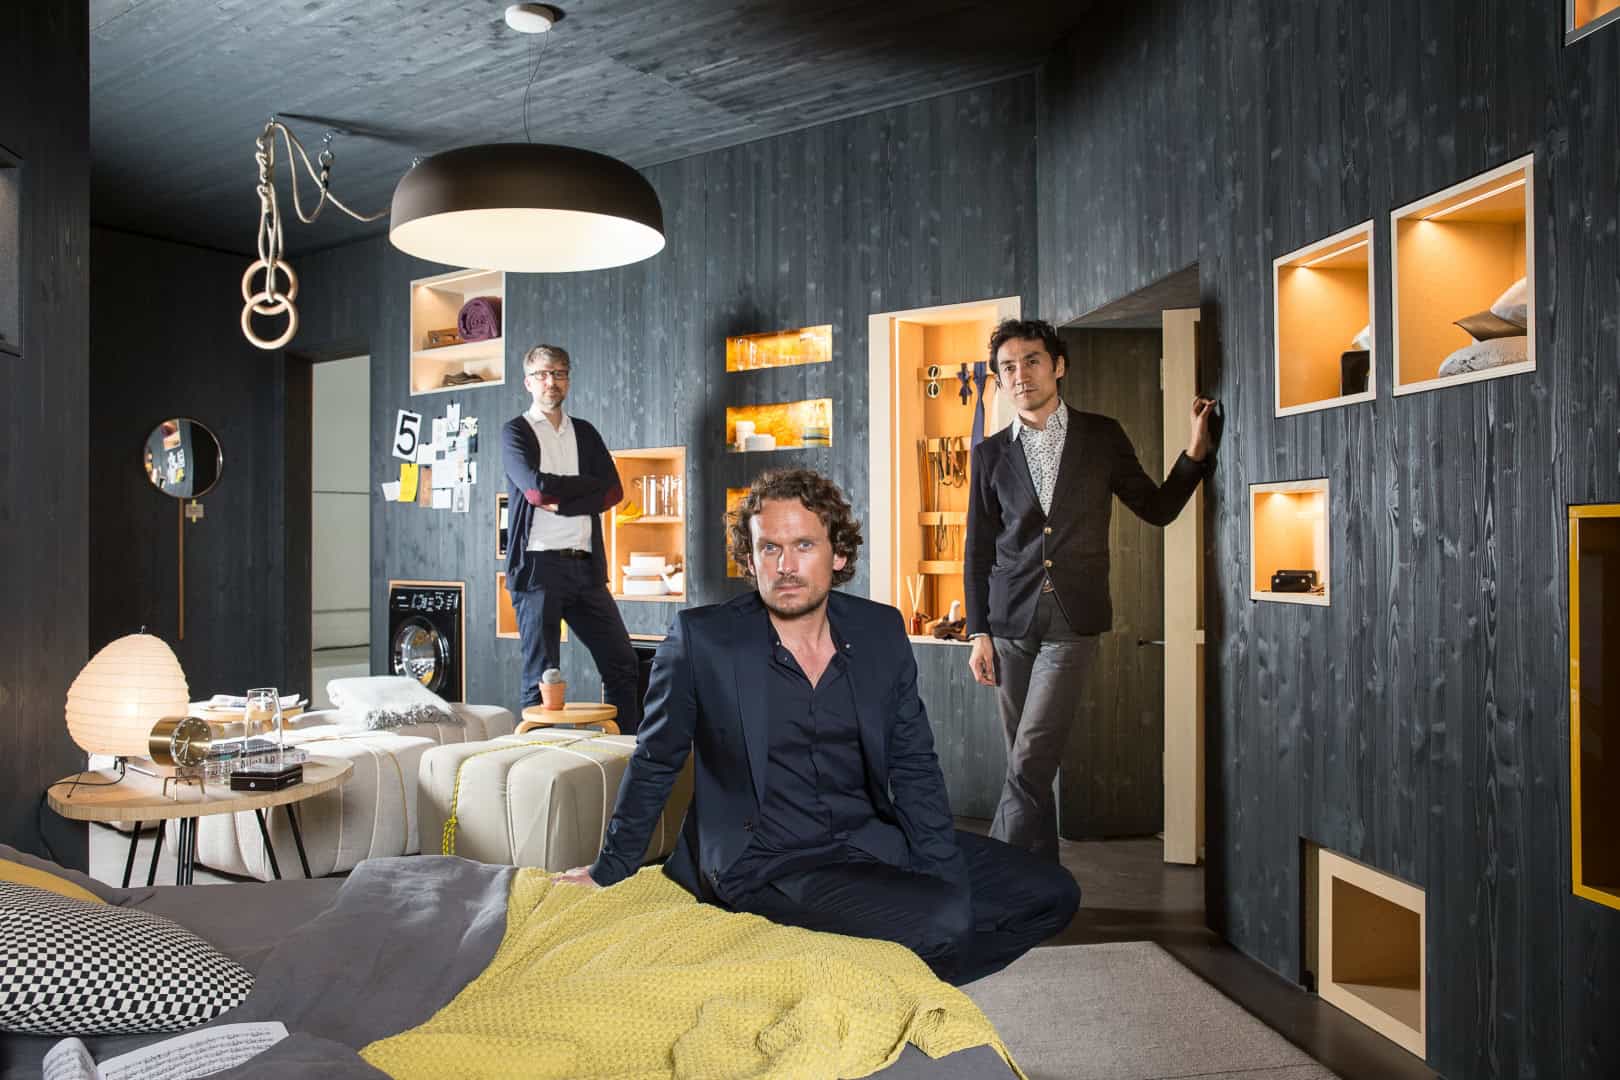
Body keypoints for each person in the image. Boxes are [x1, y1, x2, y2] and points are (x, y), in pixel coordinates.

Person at [556, 468, 1079, 986]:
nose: (786, 566)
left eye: (804, 545)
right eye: (769, 548)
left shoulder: (878, 631)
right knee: (944, 921)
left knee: (1051, 893)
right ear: (750, 559)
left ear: (839, 554)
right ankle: (903, 958)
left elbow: (914, 764)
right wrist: (610, 869)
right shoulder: (703, 640)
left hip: (869, 840)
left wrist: (941, 872)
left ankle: (897, 962)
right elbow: (656, 759)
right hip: (766, 862)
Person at [965, 317, 1216, 859]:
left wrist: (1195, 456)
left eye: (1032, 361)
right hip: (1008, 625)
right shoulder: (989, 454)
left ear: (1058, 366)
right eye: (1008, 367)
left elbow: (1156, 507)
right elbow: (978, 550)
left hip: (1072, 621)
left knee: (1030, 756)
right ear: (999, 380)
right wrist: (978, 632)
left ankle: (992, 877)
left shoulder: (1101, 436)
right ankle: (1040, 884)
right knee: (1027, 764)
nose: (1020, 374)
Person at [501, 344, 641, 732]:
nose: (552, 381)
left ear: (568, 380)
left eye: (559, 373)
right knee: (541, 676)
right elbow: (536, 490)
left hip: (585, 567)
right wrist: (585, 487)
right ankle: (537, 756)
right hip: (537, 567)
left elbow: (613, 492)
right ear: (528, 382)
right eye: (543, 374)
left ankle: (624, 752)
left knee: (623, 663)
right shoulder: (516, 432)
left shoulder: (585, 432)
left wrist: (561, 503)